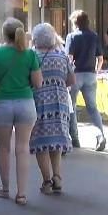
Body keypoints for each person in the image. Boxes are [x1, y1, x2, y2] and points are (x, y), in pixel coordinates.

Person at [0, 18, 42, 206]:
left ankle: (5, 188)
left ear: (3, 34)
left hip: (2, 104)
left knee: (3, 148)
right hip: (25, 103)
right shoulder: (30, 55)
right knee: (23, 149)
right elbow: (38, 83)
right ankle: (22, 194)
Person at [30, 23, 74, 195]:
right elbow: (71, 80)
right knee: (56, 140)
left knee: (41, 142)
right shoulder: (62, 56)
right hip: (60, 102)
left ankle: (46, 182)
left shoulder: (32, 56)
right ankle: (57, 176)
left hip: (39, 101)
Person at [66, 10, 107, 151]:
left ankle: (74, 138)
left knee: (72, 106)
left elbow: (69, 59)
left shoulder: (71, 37)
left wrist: (67, 74)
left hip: (75, 74)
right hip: (90, 74)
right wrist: (96, 70)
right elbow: (100, 58)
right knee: (92, 108)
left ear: (75, 23)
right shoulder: (94, 36)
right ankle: (100, 135)